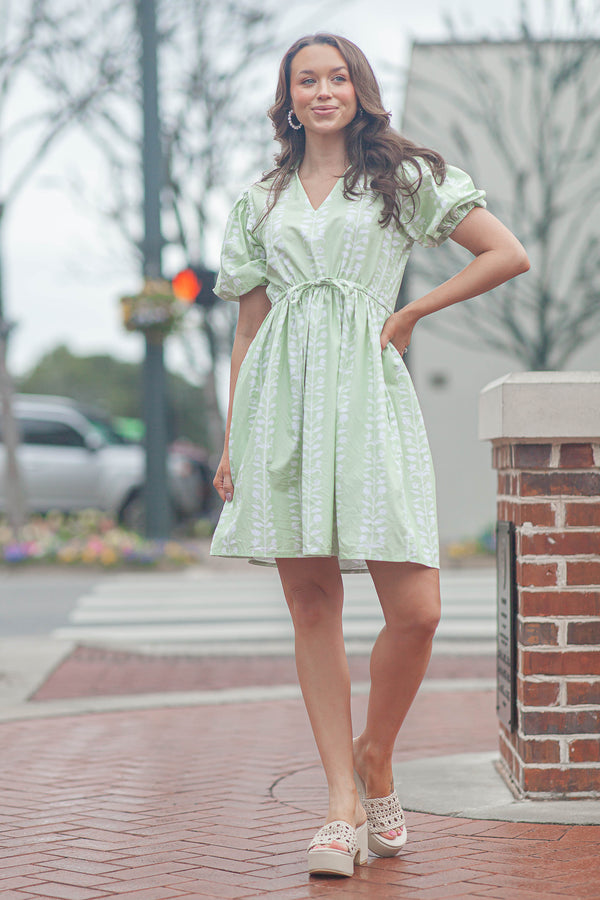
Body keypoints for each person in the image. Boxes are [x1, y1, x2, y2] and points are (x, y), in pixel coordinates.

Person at [211, 33, 529, 878]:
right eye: (306, 80)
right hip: (281, 406)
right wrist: (232, 438)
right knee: (311, 604)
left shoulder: (400, 177)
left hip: (368, 395)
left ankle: (375, 754)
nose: (324, 91)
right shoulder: (259, 200)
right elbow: (246, 328)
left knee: (418, 609)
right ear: (286, 98)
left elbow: (506, 252)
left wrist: (411, 312)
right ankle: (341, 806)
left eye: (338, 76)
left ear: (360, 89)